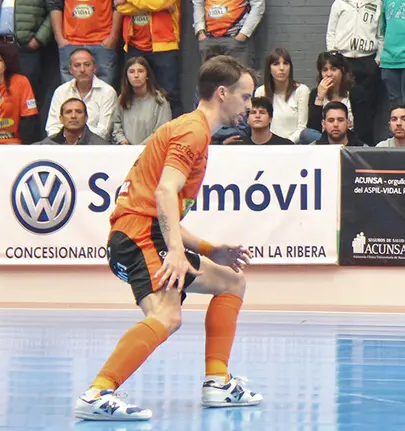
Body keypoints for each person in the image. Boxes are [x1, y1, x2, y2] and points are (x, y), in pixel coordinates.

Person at [73, 55, 263, 421]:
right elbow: (164, 193)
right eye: (245, 96)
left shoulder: (196, 131)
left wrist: (209, 249)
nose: (249, 106)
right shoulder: (192, 131)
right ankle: (98, 392)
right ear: (222, 93)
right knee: (166, 315)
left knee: (231, 282)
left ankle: (218, 382)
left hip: (147, 233)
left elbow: (168, 211)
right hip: (137, 236)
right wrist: (176, 252)